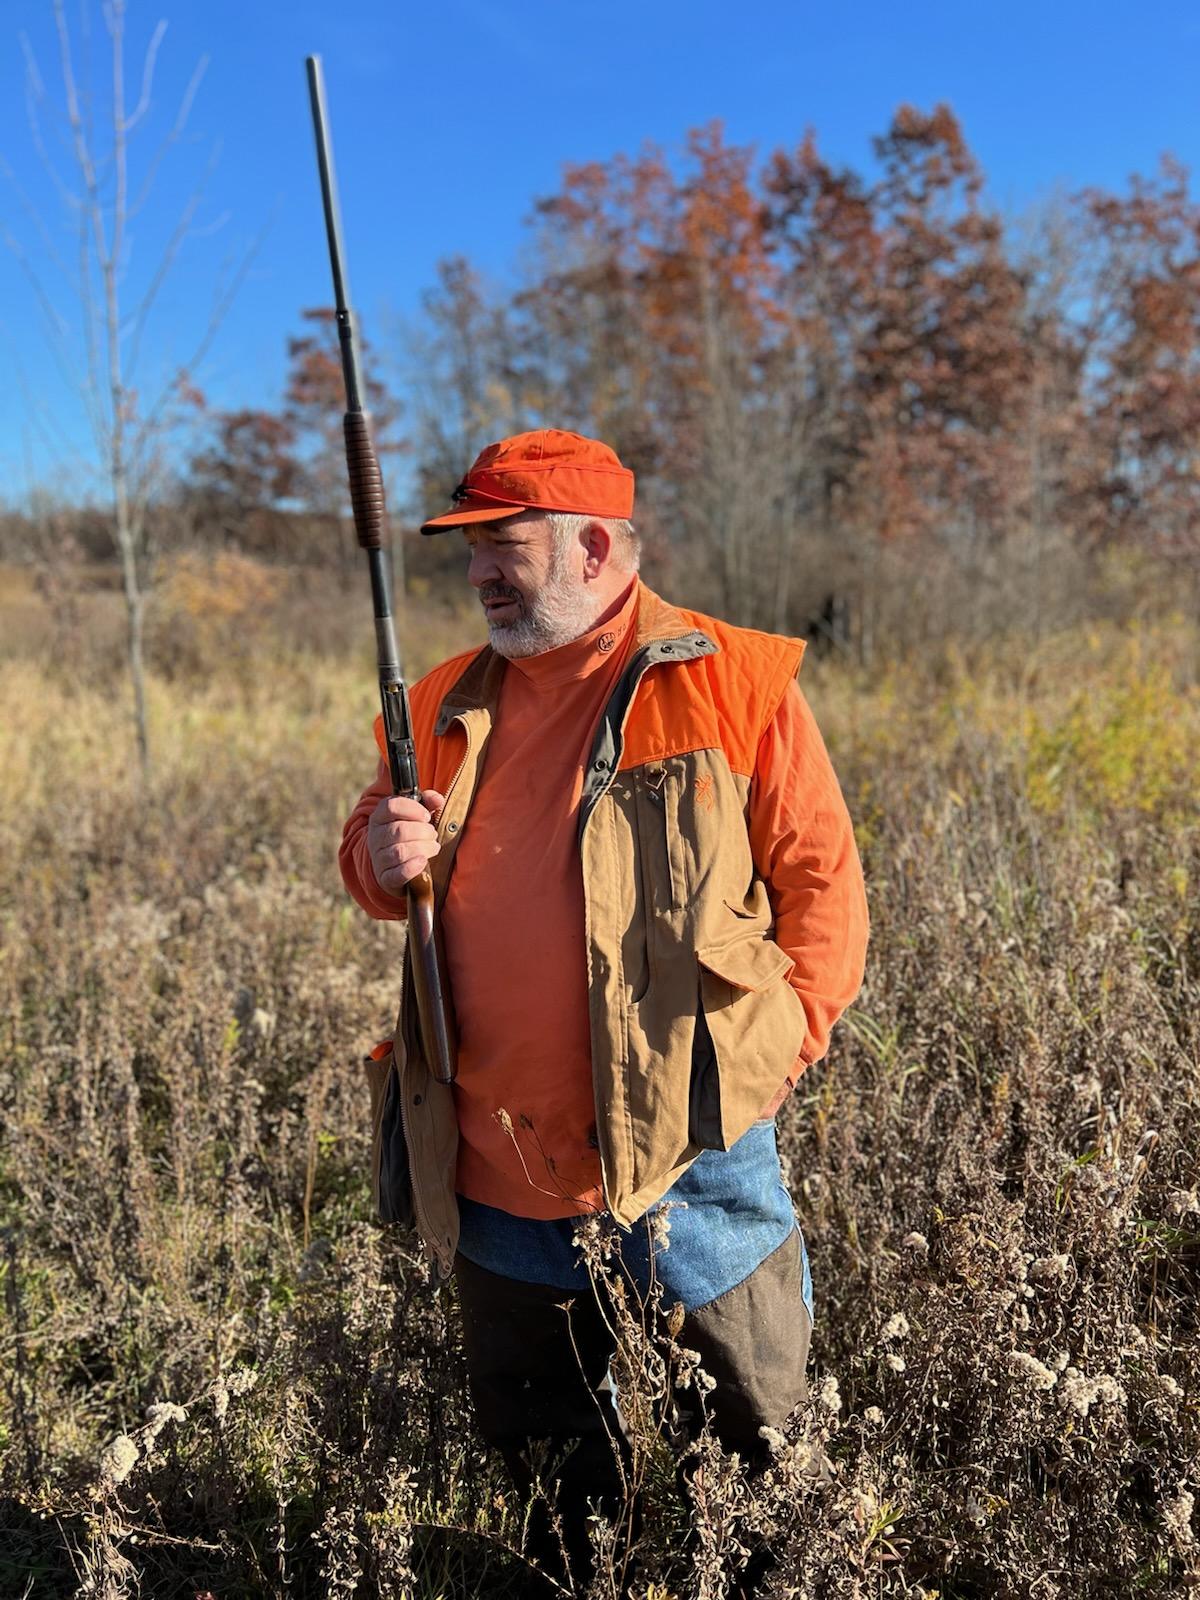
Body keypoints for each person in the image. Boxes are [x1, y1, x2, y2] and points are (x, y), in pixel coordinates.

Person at [339, 428, 869, 1592]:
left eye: (502, 543)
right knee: (547, 1474)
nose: (478, 571)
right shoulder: (438, 696)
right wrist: (383, 855)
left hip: (696, 1154)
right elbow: (372, 866)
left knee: (757, 1443)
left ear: (591, 544)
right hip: (494, 1161)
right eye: (469, 546)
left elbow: (823, 888)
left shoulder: (732, 677)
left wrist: (775, 1058)